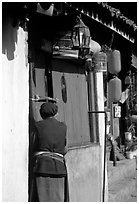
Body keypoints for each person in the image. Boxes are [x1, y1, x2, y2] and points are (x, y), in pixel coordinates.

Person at [33, 101, 68, 202]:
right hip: (60, 167)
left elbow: (33, 144)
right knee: (59, 198)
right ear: (55, 113)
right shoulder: (63, 126)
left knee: (42, 198)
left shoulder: (37, 126)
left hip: (41, 166)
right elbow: (65, 149)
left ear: (41, 113)